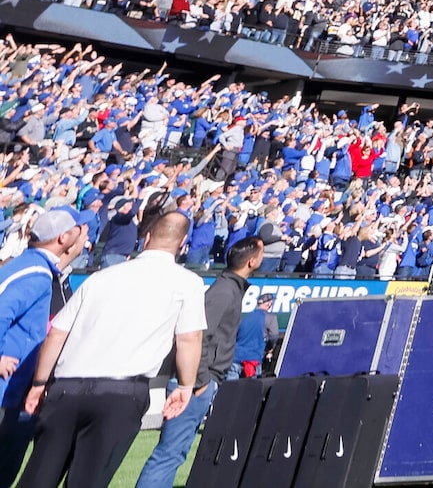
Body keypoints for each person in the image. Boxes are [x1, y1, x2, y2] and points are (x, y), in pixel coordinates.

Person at [18, 201, 206, 488]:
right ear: (182, 245)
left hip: (67, 388)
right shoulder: (187, 282)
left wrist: (39, 383)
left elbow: (57, 333)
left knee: (37, 477)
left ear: (146, 239)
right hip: (120, 394)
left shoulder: (101, 277)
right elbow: (189, 337)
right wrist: (185, 386)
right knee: (88, 480)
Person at [132, 234, 259, 488]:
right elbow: (196, 334)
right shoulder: (224, 291)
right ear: (252, 261)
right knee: (169, 454)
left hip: (200, 381)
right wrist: (200, 380)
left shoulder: (230, 288)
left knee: (175, 454)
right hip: (195, 384)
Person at [0, 208, 84, 488]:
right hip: (8, 392)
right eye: (78, 231)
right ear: (63, 237)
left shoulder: (26, 264)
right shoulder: (36, 273)